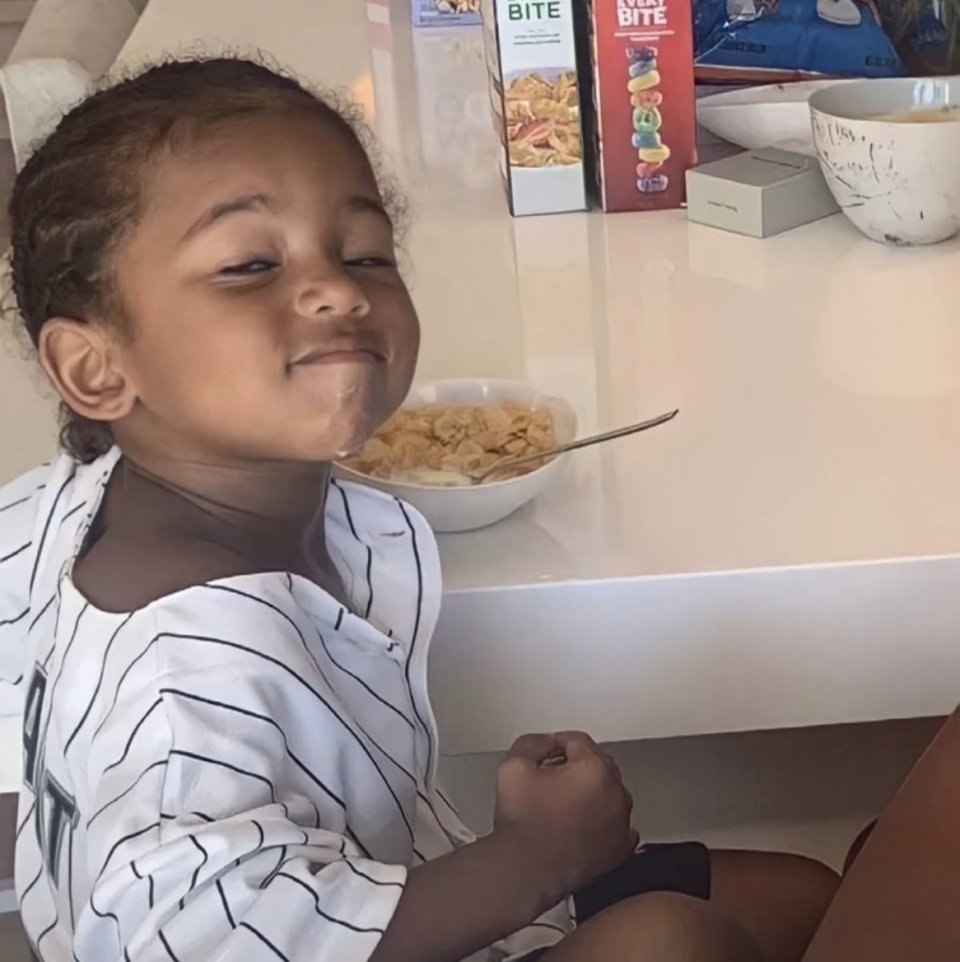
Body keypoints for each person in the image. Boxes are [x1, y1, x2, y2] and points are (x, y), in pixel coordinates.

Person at [0, 57, 837, 962]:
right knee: (671, 943)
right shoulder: (186, 689)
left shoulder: (76, 499)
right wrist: (539, 857)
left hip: (382, 873)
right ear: (95, 368)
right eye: (249, 265)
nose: (341, 290)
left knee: (805, 897)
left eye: (364, 253)